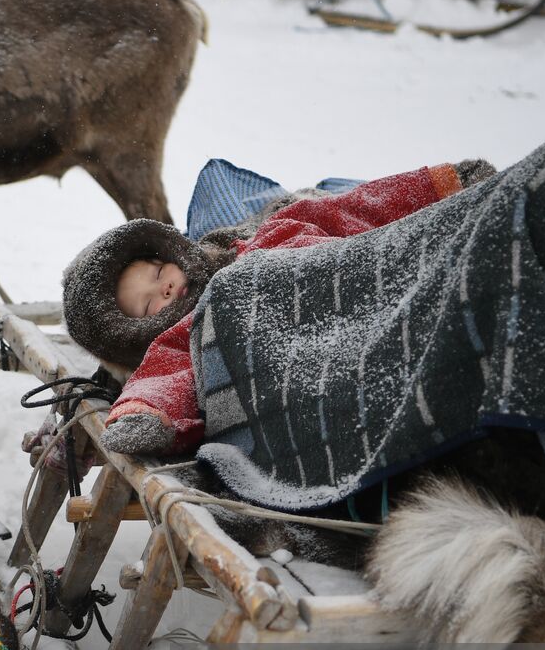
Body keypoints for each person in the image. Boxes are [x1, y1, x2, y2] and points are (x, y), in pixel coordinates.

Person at [62, 159, 493, 455]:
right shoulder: (191, 331)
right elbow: (164, 377)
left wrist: (441, 186)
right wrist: (147, 415)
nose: (165, 291)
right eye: (148, 305)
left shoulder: (270, 232)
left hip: (381, 275)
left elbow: (354, 209)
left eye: (158, 273)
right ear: (135, 333)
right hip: (332, 349)